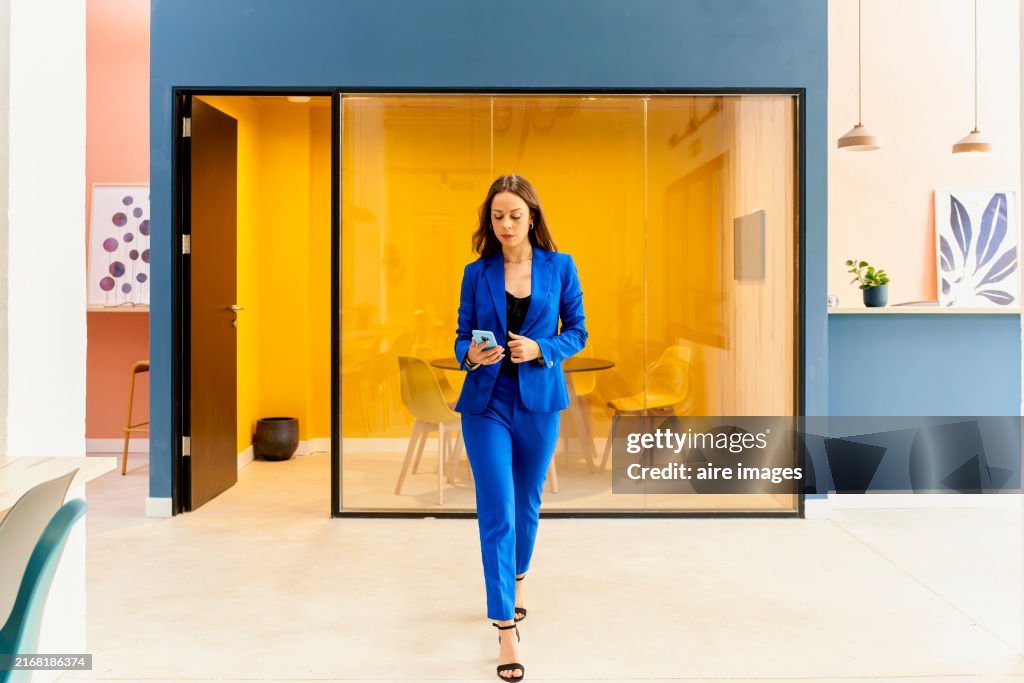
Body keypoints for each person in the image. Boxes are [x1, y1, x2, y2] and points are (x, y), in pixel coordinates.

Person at [453, 174, 588, 681]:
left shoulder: (560, 267)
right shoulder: (475, 272)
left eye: (514, 215)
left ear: (532, 216)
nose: (506, 224)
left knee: (527, 501)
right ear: (489, 221)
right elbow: (461, 334)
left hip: (538, 401)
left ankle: (519, 577)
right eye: (497, 216)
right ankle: (505, 628)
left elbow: (578, 330)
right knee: (497, 509)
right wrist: (469, 353)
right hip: (485, 402)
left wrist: (541, 349)